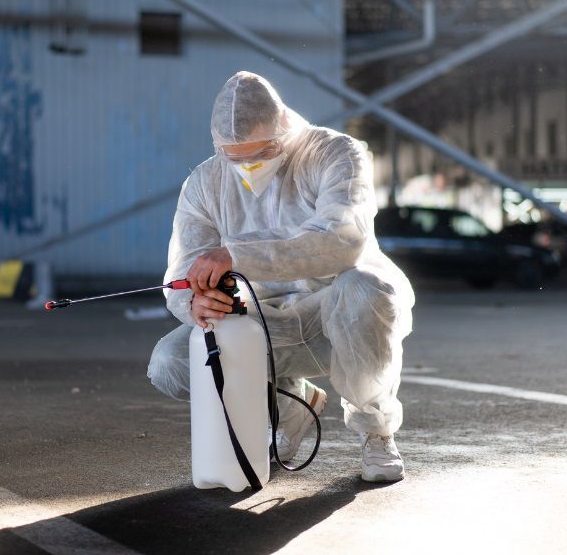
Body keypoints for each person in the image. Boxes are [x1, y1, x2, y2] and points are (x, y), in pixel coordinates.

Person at [148, 71, 415, 483]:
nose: (251, 166)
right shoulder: (205, 182)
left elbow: (342, 240)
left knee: (364, 289)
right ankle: (293, 402)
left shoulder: (334, 154)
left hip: (337, 315)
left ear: (284, 129)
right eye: (237, 158)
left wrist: (237, 254)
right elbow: (184, 269)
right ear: (219, 148)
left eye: (265, 151)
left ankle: (376, 431)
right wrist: (193, 300)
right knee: (173, 361)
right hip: (265, 325)